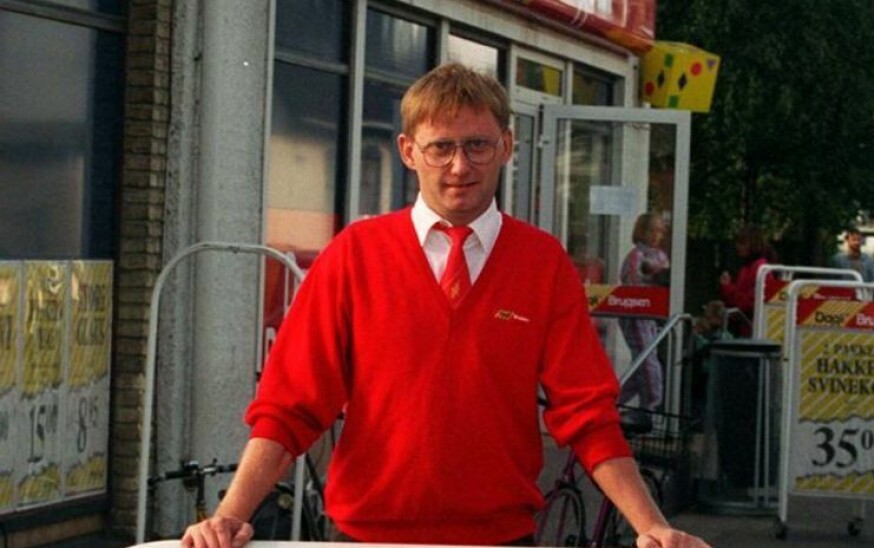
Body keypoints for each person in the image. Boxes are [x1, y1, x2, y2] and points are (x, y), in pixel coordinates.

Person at [181, 63, 708, 548]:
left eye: (478, 145)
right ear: (409, 151)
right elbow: (291, 405)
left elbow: (588, 414)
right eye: (442, 147)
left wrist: (652, 526)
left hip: (499, 539)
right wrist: (230, 514)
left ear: (507, 145)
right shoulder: (354, 256)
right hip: (366, 538)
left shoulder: (542, 264)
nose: (460, 166)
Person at [617, 212, 670, 410]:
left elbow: (665, 276)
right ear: (642, 232)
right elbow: (633, 282)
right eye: (651, 231)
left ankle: (610, 402)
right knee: (647, 364)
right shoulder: (636, 255)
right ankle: (650, 408)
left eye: (660, 231)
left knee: (643, 365)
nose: (656, 235)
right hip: (635, 313)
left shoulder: (661, 256)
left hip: (651, 316)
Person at [718, 224, 773, 337]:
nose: (738, 247)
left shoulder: (760, 268)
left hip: (751, 328)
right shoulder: (748, 267)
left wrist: (727, 287)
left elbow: (748, 302)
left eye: (742, 243)